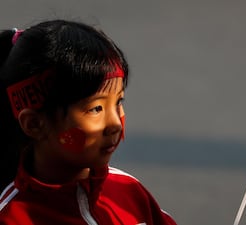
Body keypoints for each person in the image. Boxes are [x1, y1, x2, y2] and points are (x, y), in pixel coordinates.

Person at [0, 19, 177, 225]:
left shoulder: (129, 191)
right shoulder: (12, 218)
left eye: (118, 102)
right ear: (34, 124)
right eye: (96, 109)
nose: (115, 124)